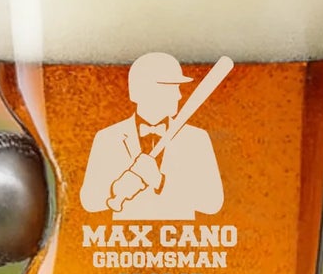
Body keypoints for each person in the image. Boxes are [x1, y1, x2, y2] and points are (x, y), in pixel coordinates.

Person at [79, 53, 224, 221]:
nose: (179, 96)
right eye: (170, 87)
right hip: (123, 242)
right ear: (140, 91)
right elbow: (89, 201)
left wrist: (159, 181)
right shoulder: (108, 138)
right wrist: (115, 189)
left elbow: (212, 202)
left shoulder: (196, 139)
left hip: (183, 242)